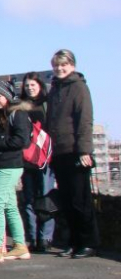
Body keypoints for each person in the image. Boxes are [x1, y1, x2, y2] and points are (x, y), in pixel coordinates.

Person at [46, 49, 98, 259]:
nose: (59, 68)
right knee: (66, 201)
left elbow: (85, 120)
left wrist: (85, 150)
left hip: (75, 152)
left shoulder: (79, 88)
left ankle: (89, 243)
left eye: (63, 65)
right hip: (59, 152)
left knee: (80, 201)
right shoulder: (55, 89)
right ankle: (74, 242)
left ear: (72, 66)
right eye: (56, 65)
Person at [0, 80, 32, 265]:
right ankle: (19, 245)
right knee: (10, 206)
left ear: (7, 96)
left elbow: (22, 140)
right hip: (2, 165)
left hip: (10, 165)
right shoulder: (2, 114)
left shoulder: (17, 114)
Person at [19, 72, 55, 252]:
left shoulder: (47, 105)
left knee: (45, 198)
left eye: (33, 85)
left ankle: (46, 238)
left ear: (40, 85)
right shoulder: (21, 106)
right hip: (27, 159)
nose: (30, 88)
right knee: (29, 200)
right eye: (27, 86)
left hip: (44, 158)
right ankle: (32, 238)